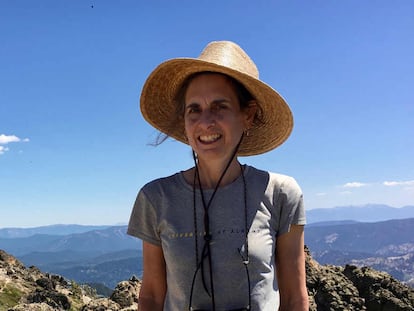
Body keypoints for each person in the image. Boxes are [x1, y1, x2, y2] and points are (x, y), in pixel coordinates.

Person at [127, 41, 308, 311]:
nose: (205, 121)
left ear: (247, 115)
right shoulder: (156, 198)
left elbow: (294, 298)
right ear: (185, 121)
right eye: (194, 109)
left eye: (220, 106)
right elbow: (152, 295)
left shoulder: (280, 193)